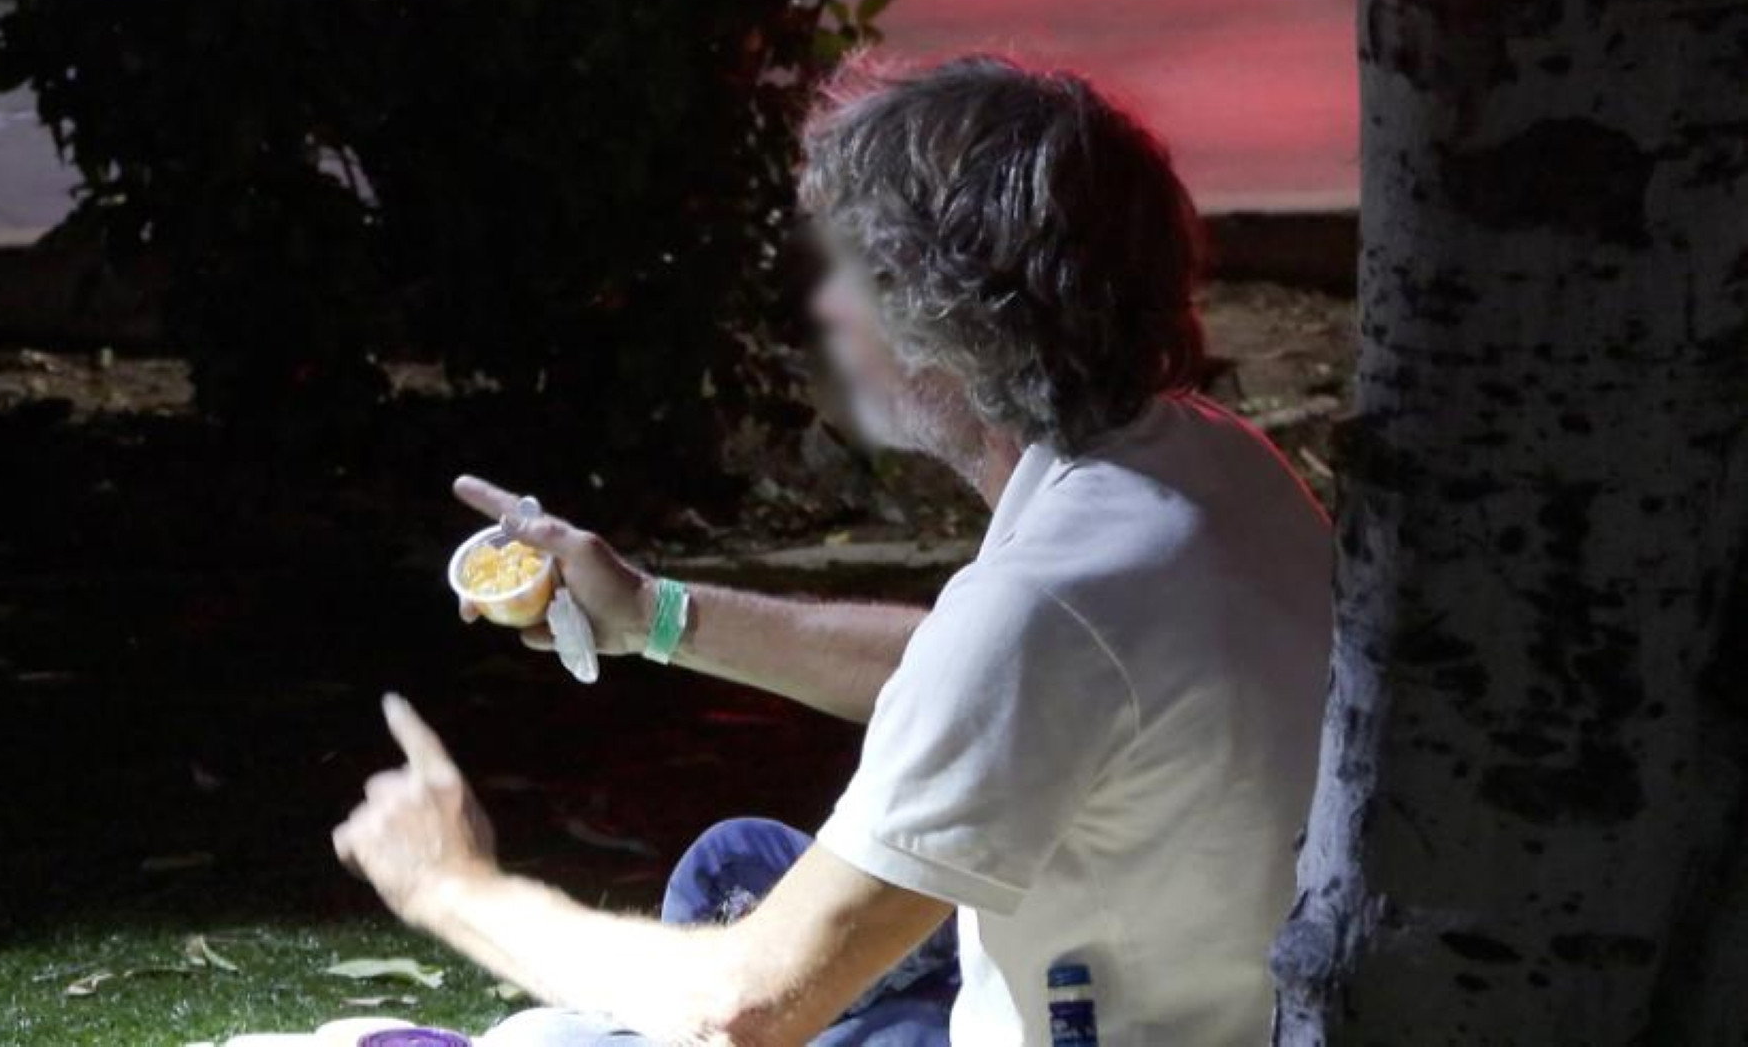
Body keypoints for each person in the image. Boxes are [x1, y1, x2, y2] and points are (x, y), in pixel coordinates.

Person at [332, 52, 1332, 1047]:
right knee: (737, 865)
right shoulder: (1215, 462)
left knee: (556, 1037)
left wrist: (454, 890)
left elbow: (741, 1010)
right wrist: (653, 614)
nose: (826, 308)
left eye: (851, 274)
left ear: (941, 322)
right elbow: (979, 677)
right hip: (1215, 996)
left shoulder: (1047, 605)